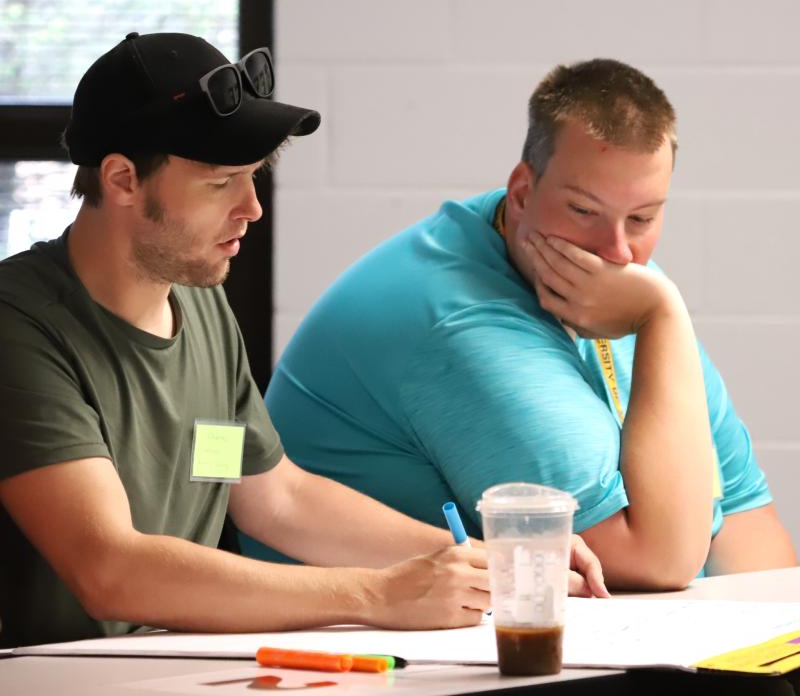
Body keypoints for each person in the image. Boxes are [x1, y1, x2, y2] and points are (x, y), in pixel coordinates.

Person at [0, 33, 605, 648]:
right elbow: (110, 570)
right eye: (221, 183)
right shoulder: (18, 323)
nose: (252, 207)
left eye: (255, 177)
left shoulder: (198, 300)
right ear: (123, 179)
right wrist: (378, 596)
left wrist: (494, 559)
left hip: (157, 663)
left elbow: (276, 500)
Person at [252, 58, 797, 591]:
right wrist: (664, 316)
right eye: (584, 211)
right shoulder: (465, 324)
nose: (617, 250)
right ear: (521, 192)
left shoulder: (630, 287)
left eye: (642, 218)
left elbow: (748, 528)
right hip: (359, 659)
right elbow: (657, 563)